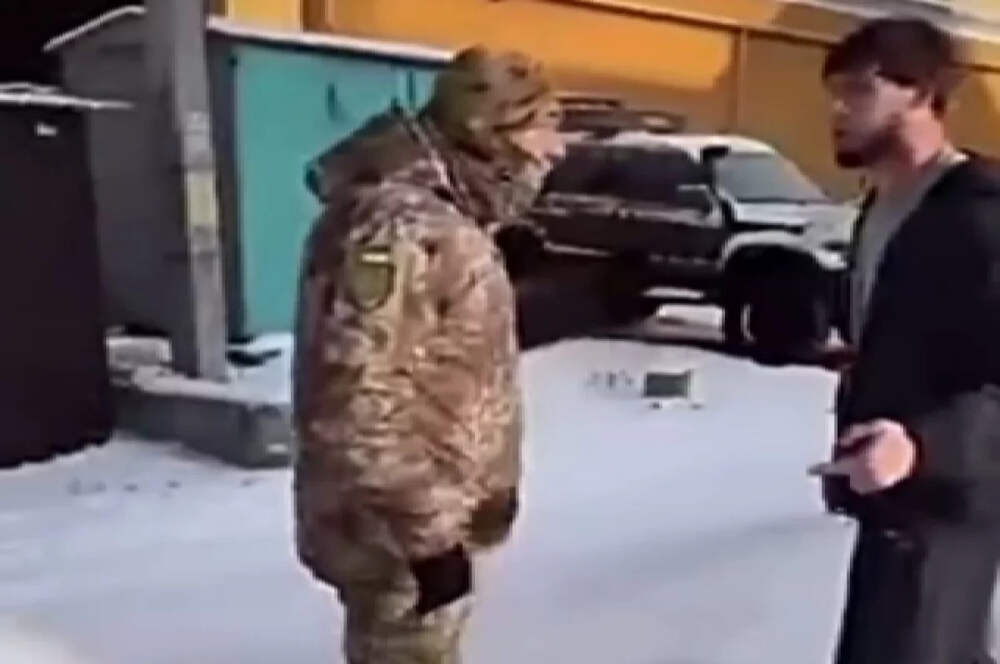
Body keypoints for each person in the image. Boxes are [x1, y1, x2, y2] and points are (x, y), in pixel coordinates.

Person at [291, 46, 654, 663]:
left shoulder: (446, 220)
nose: (557, 149)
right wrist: (428, 541)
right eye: (544, 125)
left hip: (419, 526)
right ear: (489, 131)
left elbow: (435, 351)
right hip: (399, 539)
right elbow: (354, 403)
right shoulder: (400, 225)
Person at [808, 17, 1000, 664]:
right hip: (890, 501)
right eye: (834, 94)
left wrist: (922, 444)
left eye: (859, 92)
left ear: (922, 94)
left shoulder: (981, 217)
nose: (838, 112)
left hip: (950, 510)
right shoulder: (883, 206)